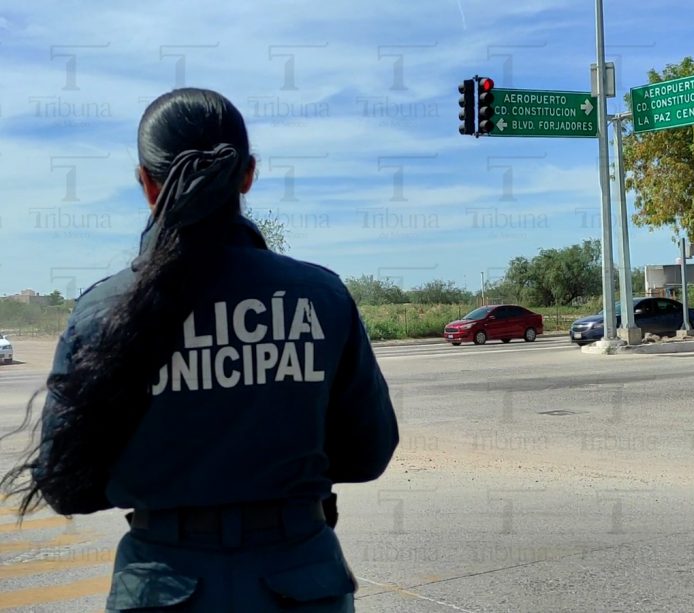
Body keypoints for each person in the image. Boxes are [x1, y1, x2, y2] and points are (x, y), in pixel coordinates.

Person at [0, 88, 398, 611]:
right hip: (301, 579)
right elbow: (368, 453)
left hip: (163, 584)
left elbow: (65, 484)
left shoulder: (102, 311)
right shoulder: (319, 297)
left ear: (146, 184)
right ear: (248, 175)